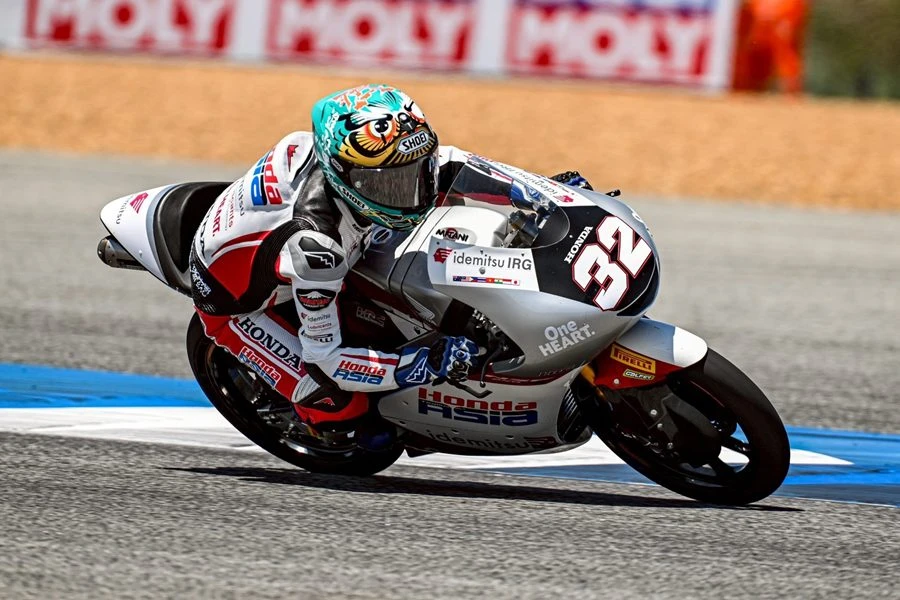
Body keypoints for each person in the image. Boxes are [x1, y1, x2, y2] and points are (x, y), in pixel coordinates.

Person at [188, 84, 591, 448]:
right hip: (235, 304)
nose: (412, 193)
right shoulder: (318, 250)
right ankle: (318, 424)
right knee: (339, 405)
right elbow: (326, 359)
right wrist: (424, 364)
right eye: (389, 184)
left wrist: (547, 193)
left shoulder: (358, 164)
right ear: (343, 177)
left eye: (416, 172)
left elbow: (459, 163)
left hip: (288, 241)